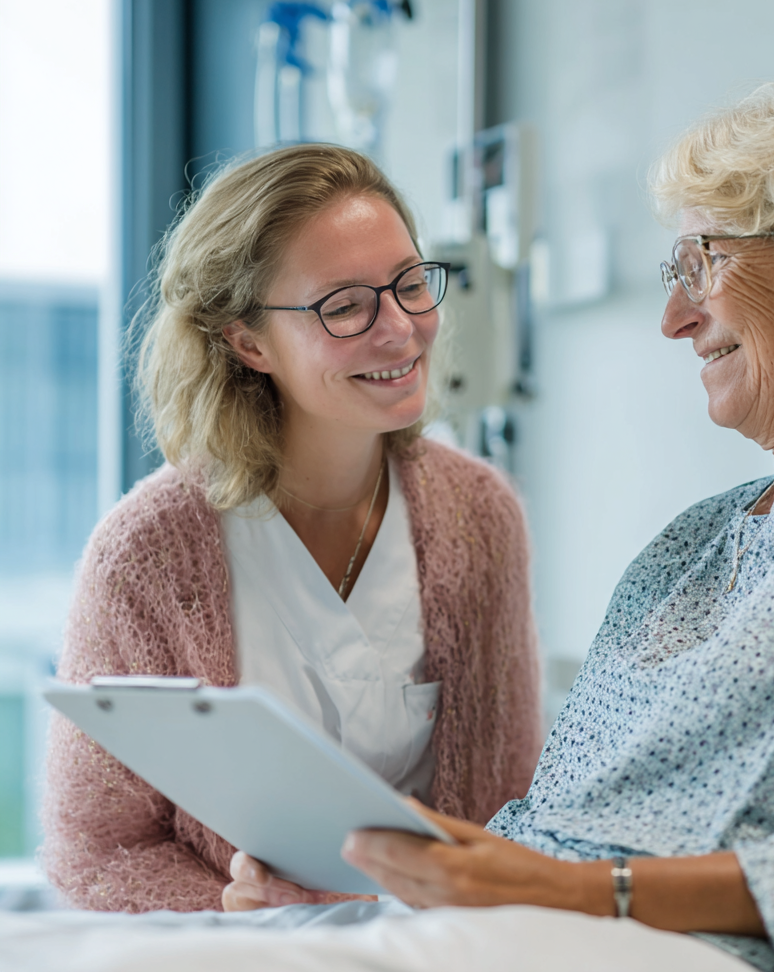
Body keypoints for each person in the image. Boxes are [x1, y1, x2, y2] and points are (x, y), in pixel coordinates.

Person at [231, 86, 774, 972]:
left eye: (704, 266)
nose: (674, 319)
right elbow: (547, 829)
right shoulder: (690, 545)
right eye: (672, 276)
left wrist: (569, 894)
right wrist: (374, 891)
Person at [42, 144, 543, 914]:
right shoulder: (144, 555)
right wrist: (229, 907)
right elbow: (97, 851)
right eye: (344, 306)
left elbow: (513, 808)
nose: (402, 329)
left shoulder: (479, 517)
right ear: (247, 343)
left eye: (412, 284)